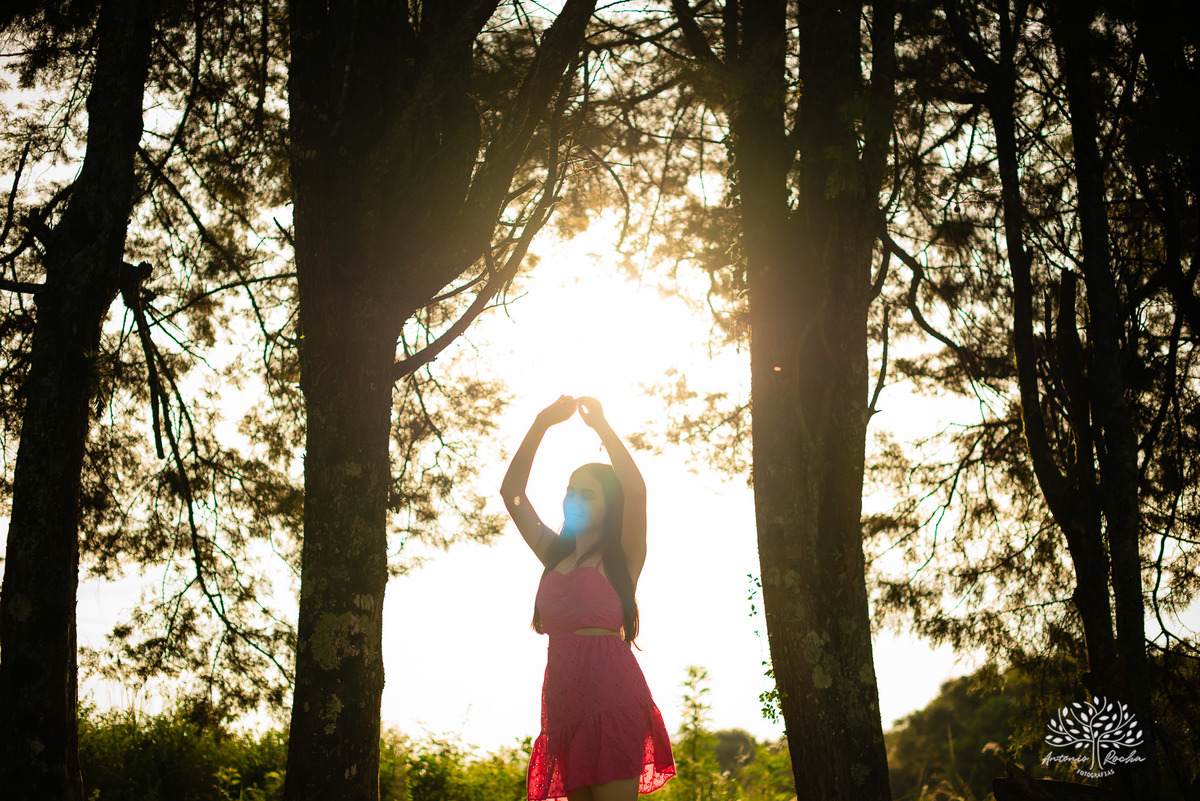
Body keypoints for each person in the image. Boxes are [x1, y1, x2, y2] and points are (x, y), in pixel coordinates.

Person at [502, 395, 675, 801]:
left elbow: (636, 492)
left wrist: (601, 427)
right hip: (564, 704)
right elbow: (512, 494)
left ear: (608, 505)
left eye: (587, 494)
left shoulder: (623, 558)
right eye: (570, 491)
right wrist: (542, 423)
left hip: (613, 700)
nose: (573, 499)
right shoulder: (554, 553)